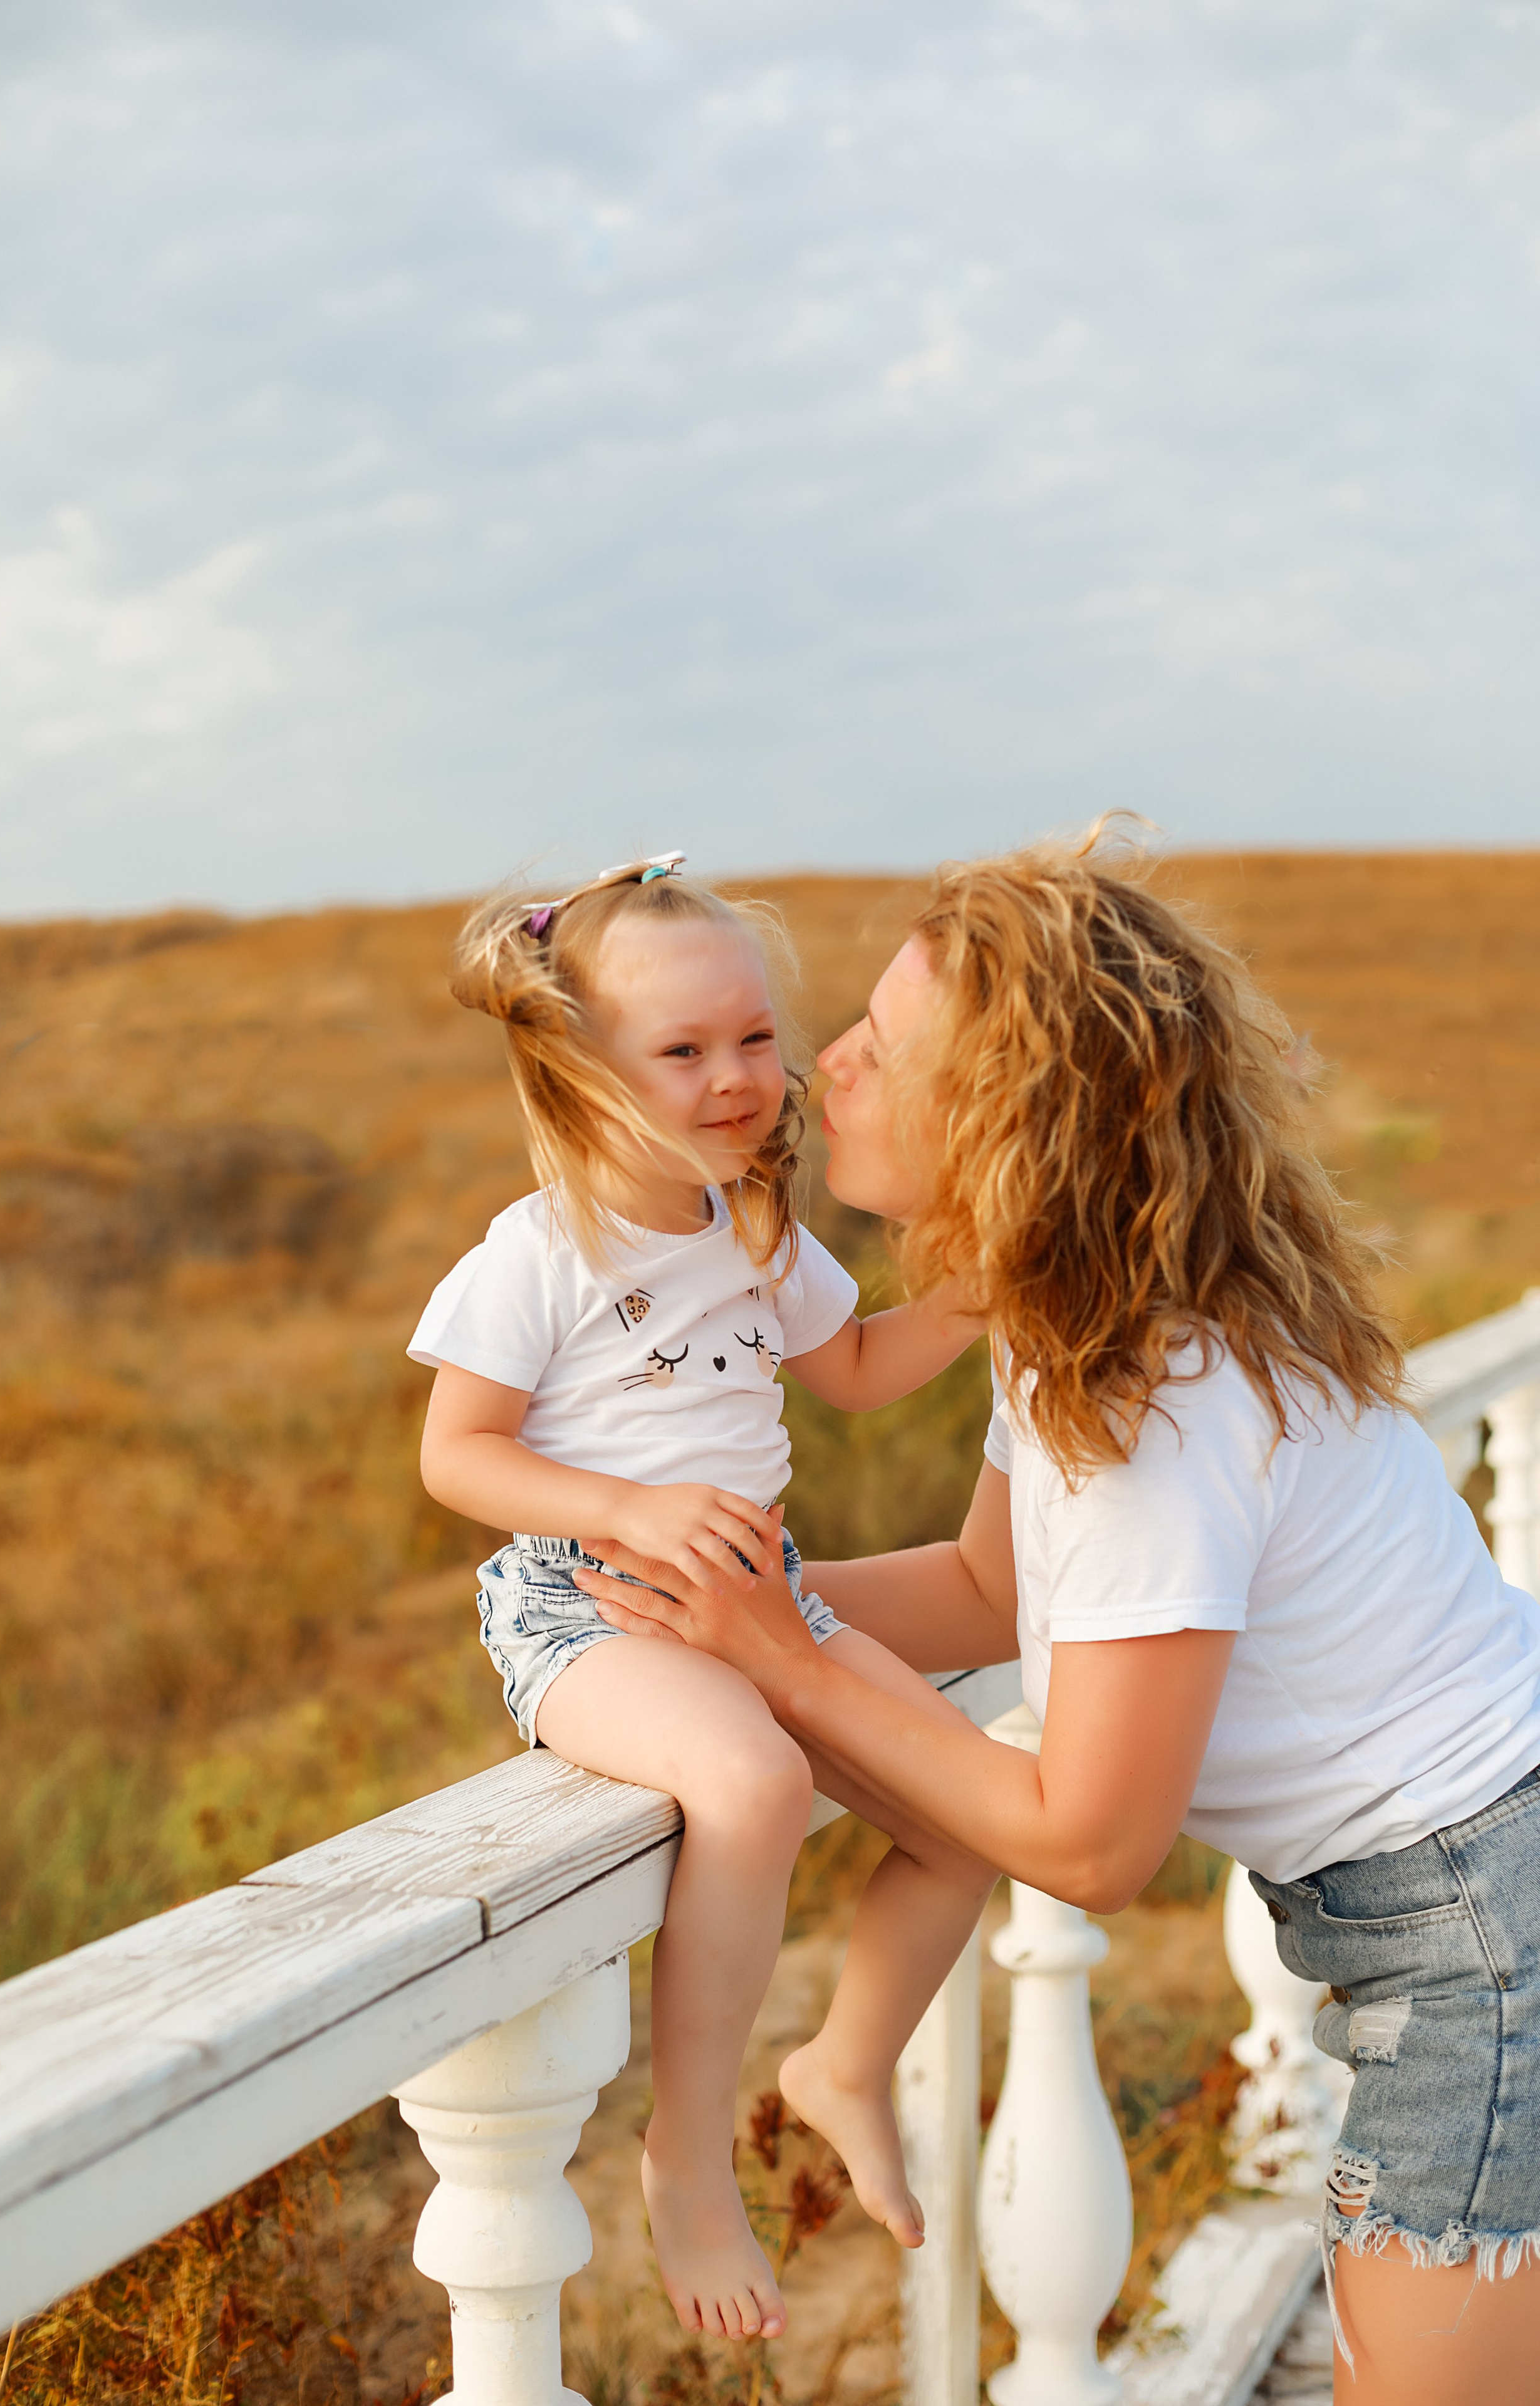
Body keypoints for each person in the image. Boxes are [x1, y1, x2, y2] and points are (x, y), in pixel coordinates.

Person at [573, 833, 1540, 2406]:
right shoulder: (1085, 1316)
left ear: (1001, 1123)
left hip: (1486, 1930)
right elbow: (989, 1595)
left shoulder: (1151, 1397)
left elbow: (1090, 1844)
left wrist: (792, 1661)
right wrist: (719, 1603)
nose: (826, 1066)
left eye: (882, 1051)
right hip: (1471, 1893)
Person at [408, 855, 996, 2346]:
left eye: (752, 1037)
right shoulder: (539, 1254)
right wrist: (626, 1507)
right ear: (584, 1069)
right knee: (749, 1778)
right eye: (682, 1051)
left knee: (971, 1816)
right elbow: (455, 1455)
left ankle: (844, 2062)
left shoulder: (751, 1227)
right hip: (589, 1606)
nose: (737, 1078)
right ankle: (680, 2151)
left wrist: (982, 1292)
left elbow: (853, 1372)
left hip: (754, 1591)